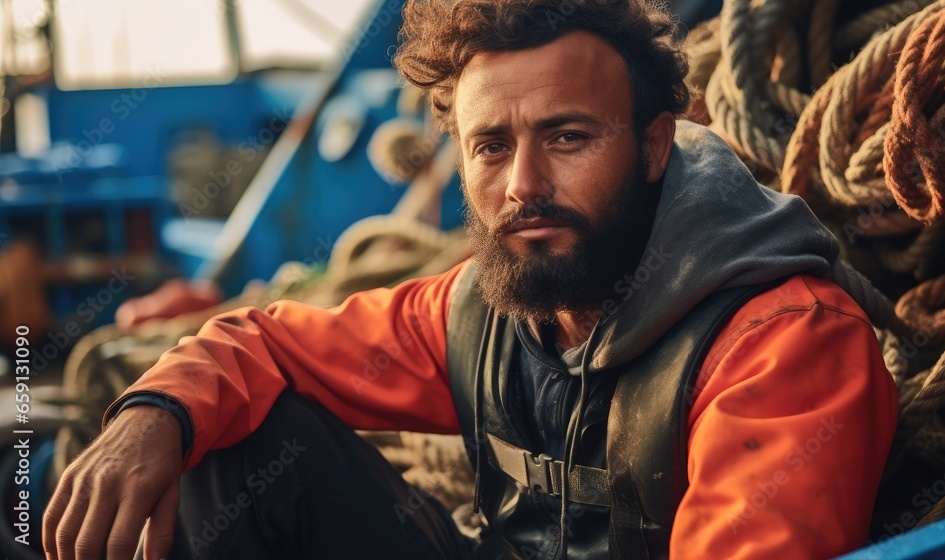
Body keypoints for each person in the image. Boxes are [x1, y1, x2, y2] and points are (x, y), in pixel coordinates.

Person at [42, 0, 898, 558]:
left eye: (567, 138)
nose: (522, 186)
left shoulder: (782, 345)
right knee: (229, 447)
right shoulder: (480, 314)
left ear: (652, 147)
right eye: (492, 147)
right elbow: (264, 342)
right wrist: (151, 416)